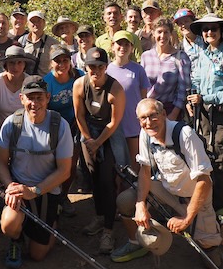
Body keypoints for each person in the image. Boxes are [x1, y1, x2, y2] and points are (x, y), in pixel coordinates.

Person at [111, 99, 223, 266]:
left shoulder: (185, 134)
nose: (148, 122)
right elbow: (145, 171)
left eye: (153, 116)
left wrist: (186, 218)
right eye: (143, 118)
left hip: (194, 196)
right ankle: (136, 243)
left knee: (212, 261)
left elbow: (204, 182)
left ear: (164, 114)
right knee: (125, 201)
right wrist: (140, 204)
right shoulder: (146, 134)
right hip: (165, 189)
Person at [0, 76, 73, 269]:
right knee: (8, 224)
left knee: (37, 255)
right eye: (30, 98)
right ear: (21, 98)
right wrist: (10, 186)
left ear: (48, 98)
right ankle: (16, 240)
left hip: (46, 191)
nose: (34, 103)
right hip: (19, 190)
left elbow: (65, 171)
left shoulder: (60, 125)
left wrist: (35, 190)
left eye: (39, 97)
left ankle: (52, 220)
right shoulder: (12, 124)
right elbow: (0, 162)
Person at [73, 47, 128, 254]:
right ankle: (99, 215)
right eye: (91, 66)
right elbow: (79, 116)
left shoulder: (115, 89)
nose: (95, 70)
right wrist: (88, 140)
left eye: (100, 66)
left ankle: (109, 229)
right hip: (89, 131)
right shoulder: (79, 84)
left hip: (109, 134)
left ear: (106, 67)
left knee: (107, 179)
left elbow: (114, 123)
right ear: (86, 67)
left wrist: (98, 143)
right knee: (93, 176)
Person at [187, 14, 223, 212]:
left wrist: (206, 98)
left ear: (220, 31)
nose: (209, 32)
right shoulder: (203, 55)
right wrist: (192, 99)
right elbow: (197, 81)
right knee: (204, 156)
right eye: (205, 29)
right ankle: (206, 203)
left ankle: (220, 207)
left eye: (214, 29)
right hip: (203, 114)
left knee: (218, 158)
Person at [43, 44, 85, 216]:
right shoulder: (47, 82)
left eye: (65, 60)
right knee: (51, 164)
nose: (62, 64)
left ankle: (63, 196)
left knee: (71, 166)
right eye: (57, 61)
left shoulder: (79, 76)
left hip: (75, 125)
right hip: (53, 126)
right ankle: (49, 196)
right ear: (51, 63)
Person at [106, 30, 150, 170]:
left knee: (135, 167)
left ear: (132, 48)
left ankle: (135, 192)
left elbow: (144, 100)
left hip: (134, 125)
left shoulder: (138, 70)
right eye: (119, 44)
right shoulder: (106, 70)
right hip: (113, 126)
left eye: (127, 44)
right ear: (113, 46)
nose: (123, 47)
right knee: (117, 168)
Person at [140, 18, 191, 122]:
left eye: (166, 32)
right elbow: (142, 86)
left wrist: (173, 114)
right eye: (159, 32)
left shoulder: (180, 57)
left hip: (168, 110)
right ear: (153, 33)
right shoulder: (146, 56)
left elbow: (183, 89)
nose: (162, 36)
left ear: (170, 34)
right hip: (148, 111)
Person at [0, 46, 33, 130]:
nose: (15, 67)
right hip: (2, 129)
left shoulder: (31, 83)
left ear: (25, 64)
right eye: (12, 63)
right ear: (6, 65)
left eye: (19, 63)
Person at [18, 11, 59, 76]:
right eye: (33, 21)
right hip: (25, 82)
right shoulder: (22, 41)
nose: (36, 24)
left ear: (44, 23)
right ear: (28, 24)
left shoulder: (53, 43)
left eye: (39, 21)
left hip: (45, 83)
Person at [173, 8, 205, 85]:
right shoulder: (179, 49)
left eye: (186, 21)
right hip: (190, 89)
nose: (183, 25)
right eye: (180, 23)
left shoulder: (206, 41)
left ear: (193, 22)